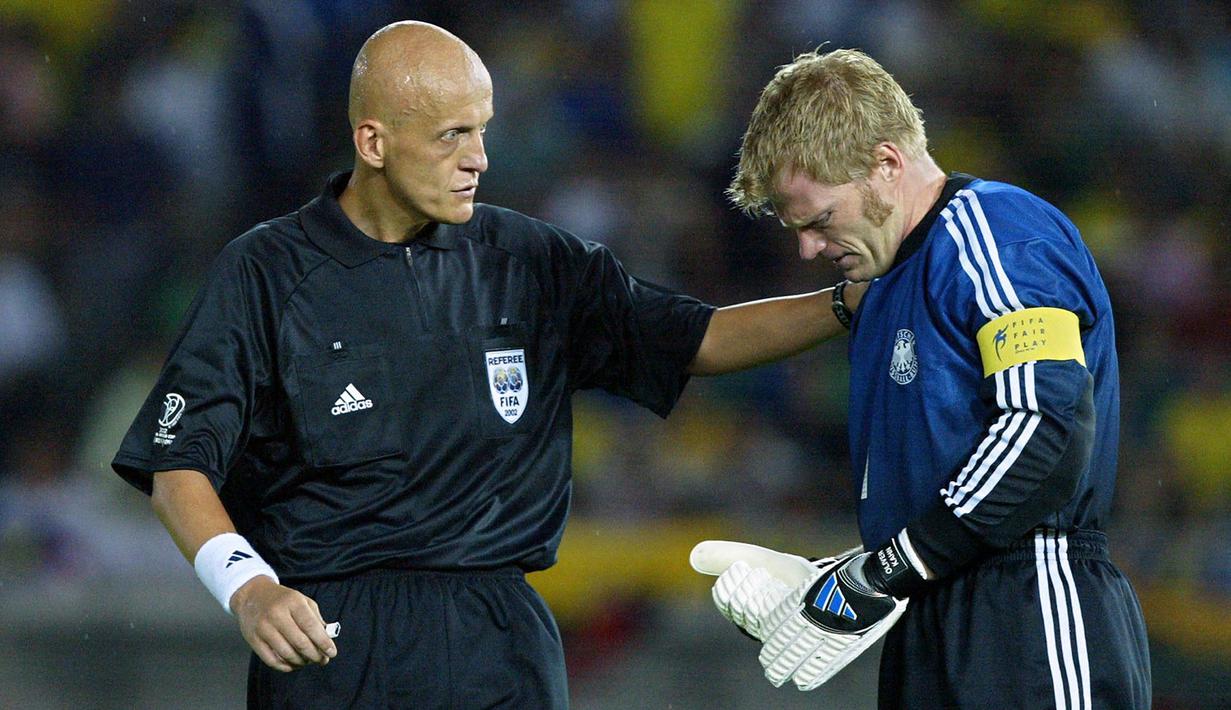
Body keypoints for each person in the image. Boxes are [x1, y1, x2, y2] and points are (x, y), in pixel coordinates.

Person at [110, 21, 860, 709]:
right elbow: (179, 468)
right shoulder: (266, 272)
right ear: (373, 143)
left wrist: (847, 304)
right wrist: (249, 591)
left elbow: (696, 339)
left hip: (502, 641)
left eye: (482, 130)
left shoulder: (530, 261)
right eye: (451, 136)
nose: (479, 159)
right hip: (332, 641)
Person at [700, 48, 1151, 708]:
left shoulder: (996, 233)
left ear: (886, 164)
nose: (806, 249)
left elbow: (1043, 429)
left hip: (1031, 605)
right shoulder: (881, 289)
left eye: (819, 220)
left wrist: (887, 566)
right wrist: (837, 576)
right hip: (928, 614)